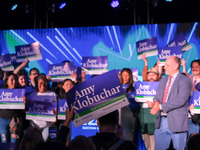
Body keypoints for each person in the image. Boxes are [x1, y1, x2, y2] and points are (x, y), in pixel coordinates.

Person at [150, 56, 192, 150]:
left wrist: (160, 106)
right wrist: (156, 102)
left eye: (167, 65)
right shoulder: (163, 80)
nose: (164, 68)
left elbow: (180, 100)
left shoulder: (185, 80)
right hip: (161, 121)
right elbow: (157, 96)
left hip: (177, 122)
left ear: (176, 66)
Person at [27, 74, 57, 141]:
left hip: (49, 126)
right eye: (40, 83)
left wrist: (56, 114)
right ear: (37, 84)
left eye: (45, 83)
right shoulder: (32, 96)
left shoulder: (53, 94)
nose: (43, 85)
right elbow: (26, 109)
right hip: (34, 126)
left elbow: (57, 109)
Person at [138, 64, 160, 150]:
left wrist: (154, 105)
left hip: (153, 116)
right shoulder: (142, 86)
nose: (151, 76)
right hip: (143, 116)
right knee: (146, 142)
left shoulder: (160, 87)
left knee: (154, 142)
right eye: (149, 74)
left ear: (158, 76)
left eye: (153, 74)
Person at [0, 72, 24, 143]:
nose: (14, 82)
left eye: (16, 80)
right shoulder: (1, 91)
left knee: (14, 143)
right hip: (2, 120)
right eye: (12, 80)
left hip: (15, 121)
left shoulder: (21, 92)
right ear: (7, 82)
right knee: (4, 142)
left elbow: (24, 110)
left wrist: (25, 102)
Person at [120, 68, 140, 145]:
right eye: (123, 75)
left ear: (130, 77)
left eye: (127, 75)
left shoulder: (134, 89)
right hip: (118, 119)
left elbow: (136, 106)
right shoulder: (116, 89)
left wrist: (126, 100)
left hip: (130, 119)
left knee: (129, 141)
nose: (124, 77)